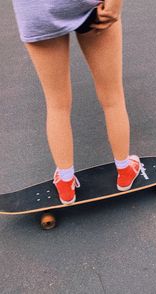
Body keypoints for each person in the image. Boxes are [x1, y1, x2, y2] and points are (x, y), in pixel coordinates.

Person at [12, 0, 141, 204]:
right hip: (89, 7)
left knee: (57, 105)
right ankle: (125, 170)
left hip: (36, 12)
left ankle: (65, 183)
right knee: (112, 97)